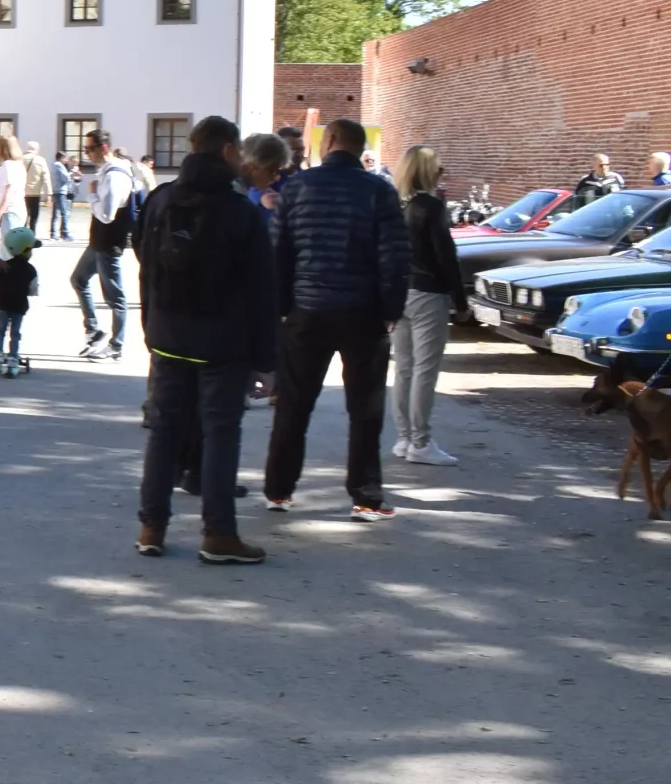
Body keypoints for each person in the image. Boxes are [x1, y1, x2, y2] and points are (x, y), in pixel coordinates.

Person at [133, 115, 278, 564]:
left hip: (168, 336)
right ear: (230, 151)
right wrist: (266, 359)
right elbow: (262, 290)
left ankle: (151, 527)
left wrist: (150, 329)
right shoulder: (242, 212)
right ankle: (218, 534)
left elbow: (145, 269)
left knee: (164, 432)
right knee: (220, 433)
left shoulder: (161, 200)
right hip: (223, 342)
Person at [261, 117, 408, 520]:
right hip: (363, 312)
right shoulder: (379, 190)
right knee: (365, 408)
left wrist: (282, 309)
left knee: (294, 403)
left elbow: (279, 253)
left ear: (329, 142)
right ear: (360, 149)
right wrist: (390, 311)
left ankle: (278, 489)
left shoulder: (295, 188)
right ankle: (365, 496)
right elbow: (393, 256)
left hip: (307, 309)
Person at [393, 145, 462, 468]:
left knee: (404, 368)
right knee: (424, 370)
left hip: (400, 291)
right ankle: (420, 440)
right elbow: (445, 255)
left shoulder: (395, 205)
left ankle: (405, 436)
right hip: (428, 291)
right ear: (427, 172)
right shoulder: (431, 207)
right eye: (438, 167)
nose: (441, 172)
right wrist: (460, 299)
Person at [73, 130, 140, 360]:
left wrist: (91, 196)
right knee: (78, 280)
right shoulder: (108, 170)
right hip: (97, 242)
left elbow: (107, 215)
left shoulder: (115, 175)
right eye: (85, 149)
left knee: (115, 297)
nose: (87, 154)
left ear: (104, 148)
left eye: (90, 149)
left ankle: (116, 345)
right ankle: (94, 331)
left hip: (108, 243)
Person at [0, 224, 38, 374]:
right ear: (25, 251)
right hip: (19, 305)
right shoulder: (31, 270)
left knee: (0, 330)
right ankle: (13, 357)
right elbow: (32, 290)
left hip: (1, 303)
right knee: (15, 332)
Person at [0, 132, 28, 234]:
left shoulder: (8, 165)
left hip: (10, 211)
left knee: (9, 248)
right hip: (17, 209)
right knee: (13, 246)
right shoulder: (19, 164)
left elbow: (10, 191)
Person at [23, 141, 51, 235]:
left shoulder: (20, 159)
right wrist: (49, 193)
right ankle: (32, 236)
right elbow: (46, 178)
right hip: (35, 193)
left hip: (22, 193)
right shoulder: (40, 160)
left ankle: (22, 236)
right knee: (33, 218)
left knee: (23, 217)